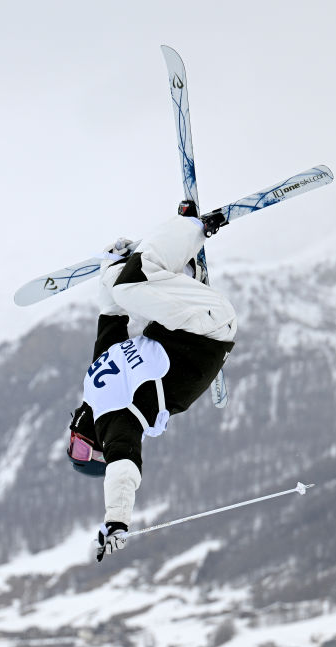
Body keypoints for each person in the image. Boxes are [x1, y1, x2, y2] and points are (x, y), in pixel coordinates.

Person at [66, 203, 234, 562]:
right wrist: (116, 520)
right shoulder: (117, 424)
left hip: (184, 322)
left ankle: (187, 270)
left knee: (120, 284)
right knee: (131, 283)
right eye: (83, 452)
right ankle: (191, 227)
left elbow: (111, 313)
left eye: (72, 447)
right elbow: (123, 471)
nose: (77, 442)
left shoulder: (95, 383)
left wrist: (109, 265)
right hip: (205, 331)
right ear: (101, 450)